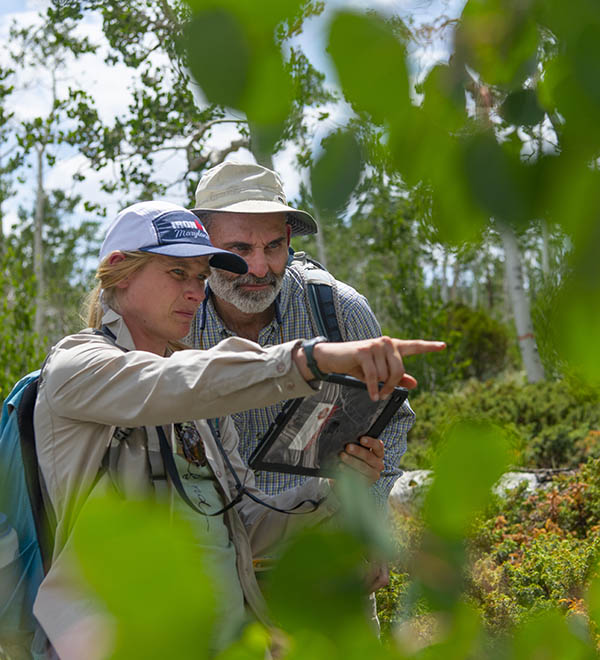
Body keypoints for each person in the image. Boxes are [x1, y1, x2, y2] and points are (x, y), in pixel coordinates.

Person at [31, 200, 445, 660]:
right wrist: (312, 359)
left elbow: (241, 522)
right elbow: (168, 384)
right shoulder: (77, 366)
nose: (195, 292)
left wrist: (335, 491)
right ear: (120, 271)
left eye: (200, 277)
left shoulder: (199, 401)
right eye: (176, 274)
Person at [186, 162, 419, 593]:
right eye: (239, 249)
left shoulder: (338, 309)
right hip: (217, 571)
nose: (259, 268)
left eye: (273, 246)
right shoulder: (177, 320)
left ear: (290, 240)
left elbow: (393, 423)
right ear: (203, 242)